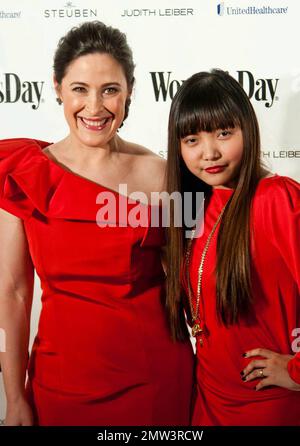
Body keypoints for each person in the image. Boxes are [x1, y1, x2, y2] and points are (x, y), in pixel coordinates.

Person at [0, 21, 194, 426]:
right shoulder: (24, 174)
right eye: (80, 89)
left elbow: (196, 280)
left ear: (129, 92)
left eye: (110, 90)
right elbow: (14, 295)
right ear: (57, 88)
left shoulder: (162, 175)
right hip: (60, 384)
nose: (94, 107)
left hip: (153, 381)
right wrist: (14, 398)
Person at [165, 69, 300, 425]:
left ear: (247, 130)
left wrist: (298, 371)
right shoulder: (192, 208)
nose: (210, 153)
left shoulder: (277, 199)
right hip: (208, 400)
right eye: (192, 139)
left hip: (268, 405)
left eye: (224, 133)